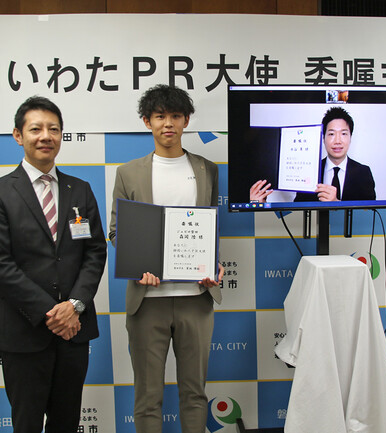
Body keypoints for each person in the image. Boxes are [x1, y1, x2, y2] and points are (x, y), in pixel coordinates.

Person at [0, 96, 107, 433]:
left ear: (62, 135)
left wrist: (74, 305)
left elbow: (95, 252)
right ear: (18, 136)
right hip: (24, 331)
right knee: (27, 423)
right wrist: (52, 313)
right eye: (35, 129)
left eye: (53, 129)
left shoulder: (80, 190)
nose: (45, 136)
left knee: (66, 422)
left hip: (74, 331)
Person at [108, 84, 224, 433]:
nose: (168, 124)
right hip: (148, 300)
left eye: (175, 116)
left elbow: (210, 226)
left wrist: (213, 263)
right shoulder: (129, 172)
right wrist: (135, 263)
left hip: (195, 298)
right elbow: (116, 231)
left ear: (186, 120)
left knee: (195, 394)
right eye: (160, 116)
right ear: (147, 122)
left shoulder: (207, 169)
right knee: (148, 397)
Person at [295, 106, 376, 201]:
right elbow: (298, 208)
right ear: (323, 138)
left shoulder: (363, 173)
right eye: (331, 134)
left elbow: (369, 210)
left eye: (343, 134)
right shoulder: (309, 171)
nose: (337, 141)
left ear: (350, 138)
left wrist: (336, 203)